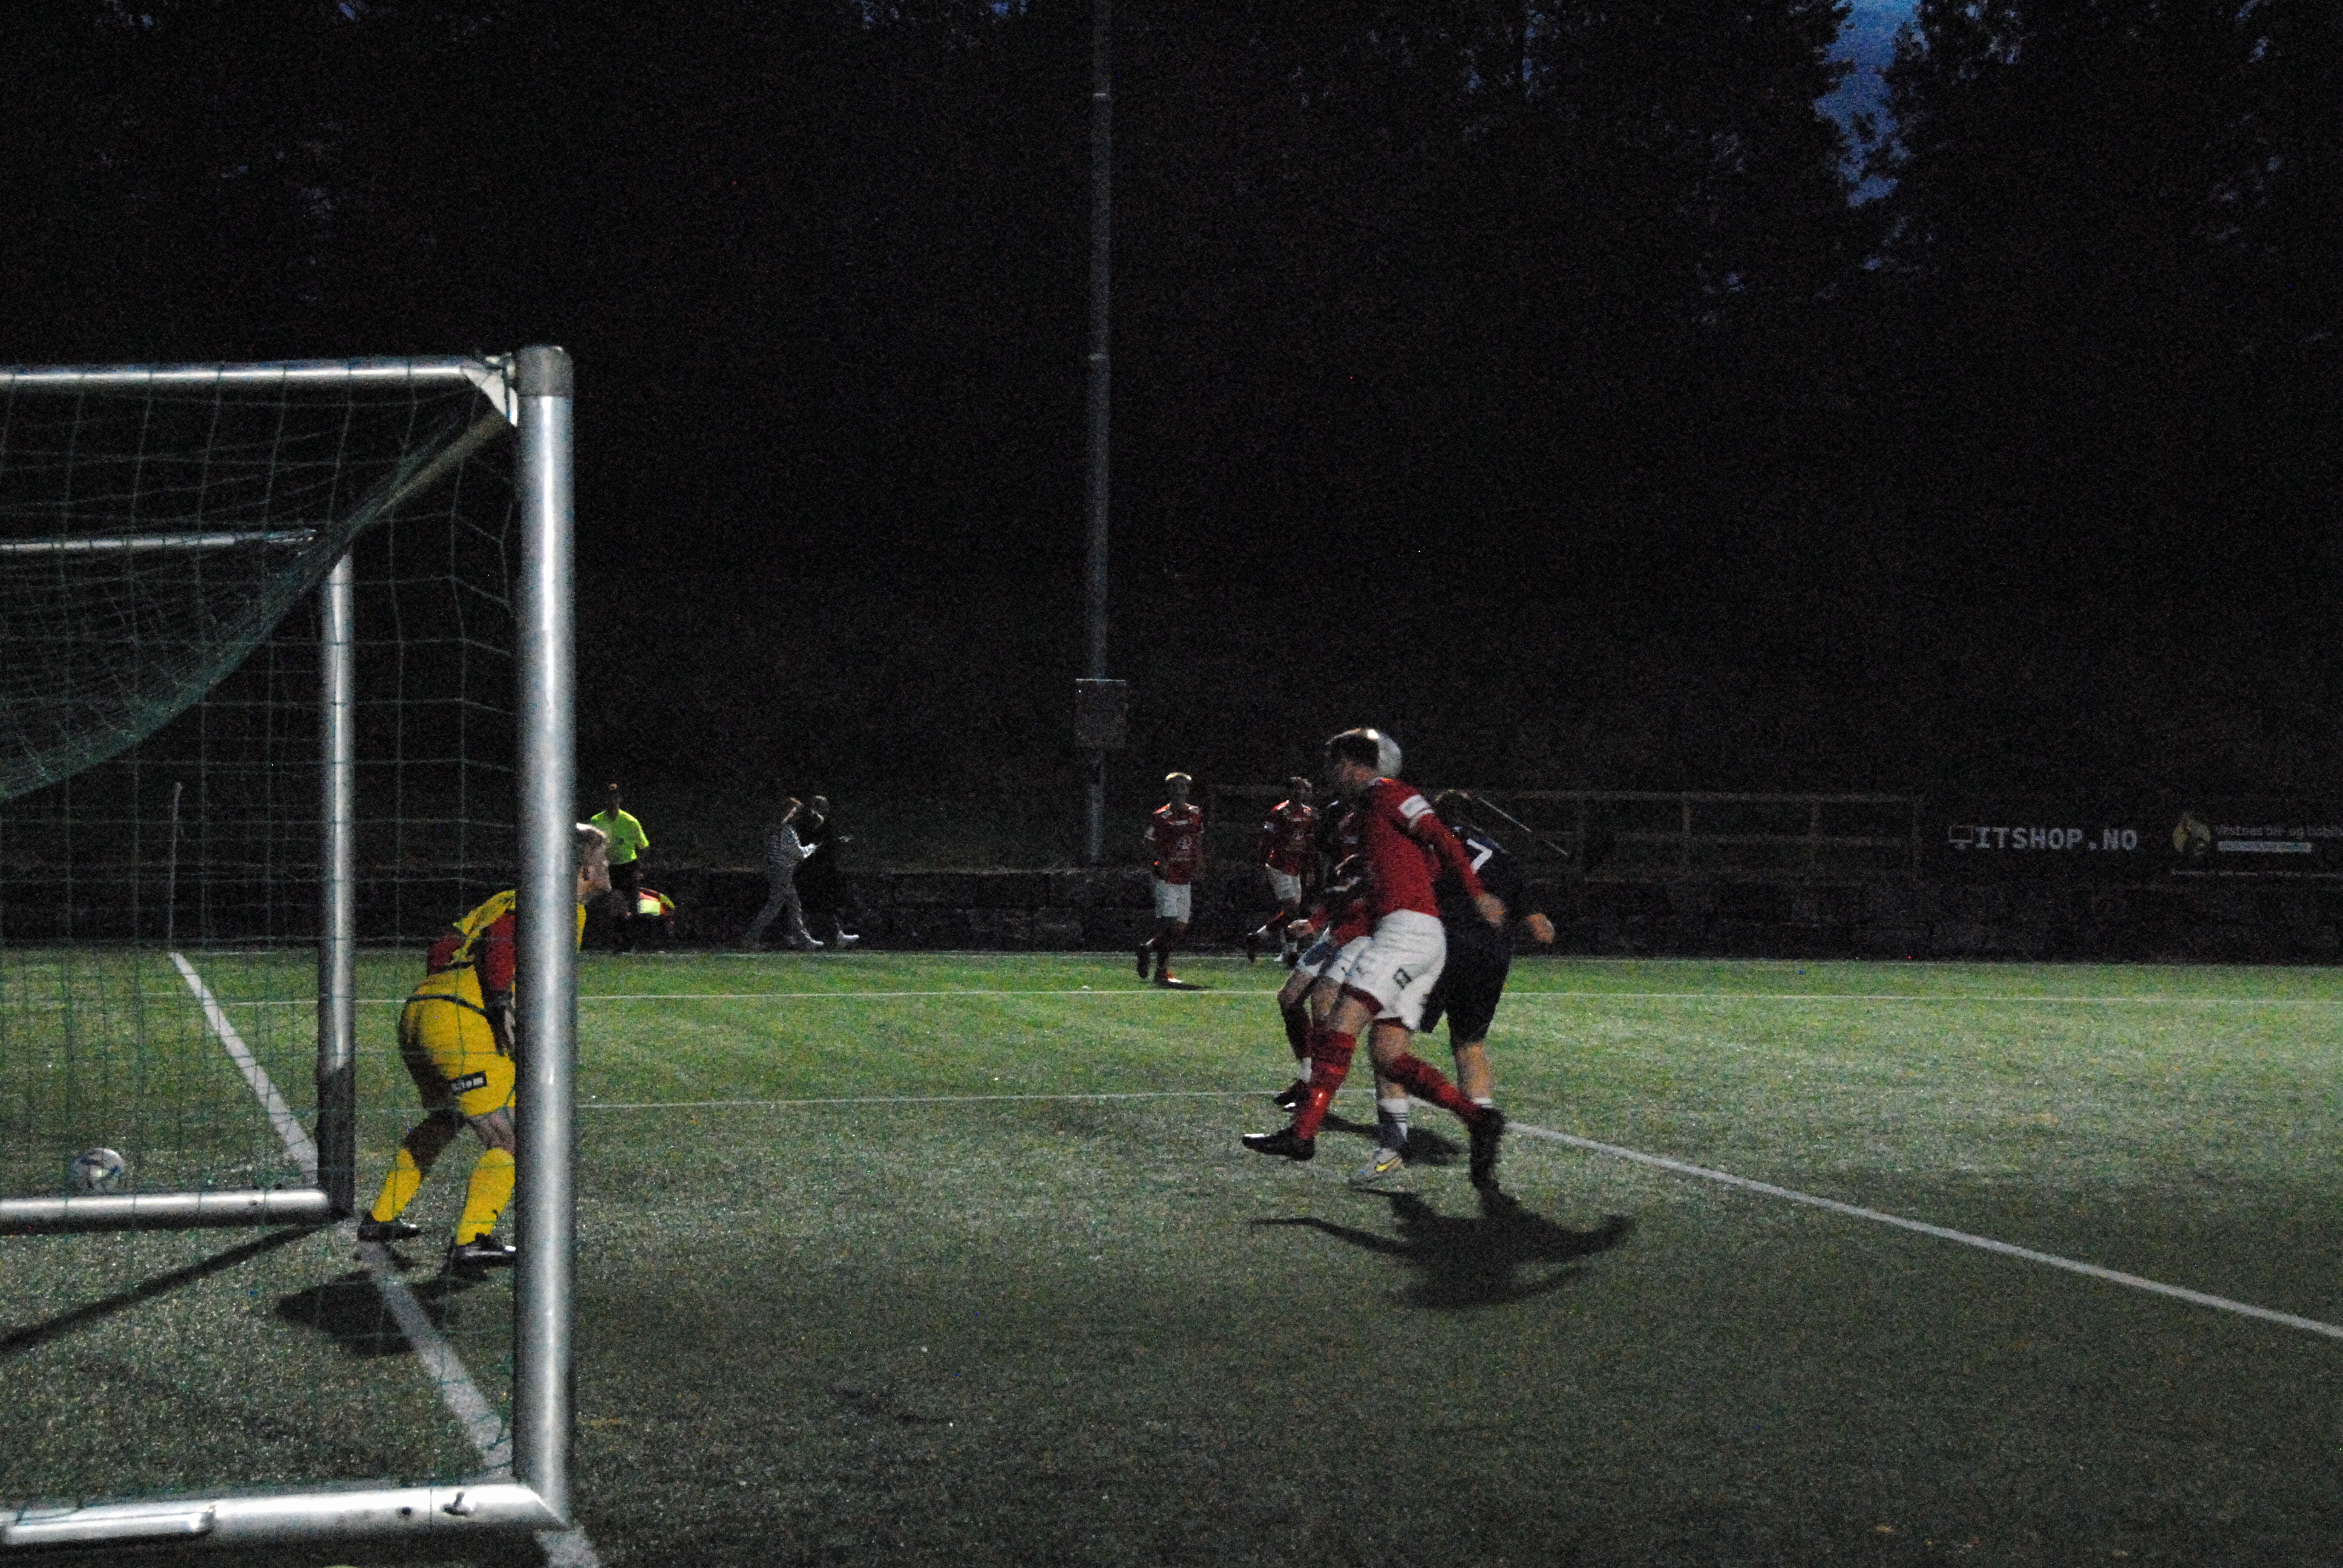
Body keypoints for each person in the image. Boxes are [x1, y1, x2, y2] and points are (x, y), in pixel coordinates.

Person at [1243, 728, 1511, 1188]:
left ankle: (1302, 1134)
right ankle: (1478, 1119)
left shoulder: (1387, 792)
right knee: (1388, 1055)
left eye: (1334, 765)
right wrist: (1362, 881)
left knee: (1339, 1023)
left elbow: (1440, 837)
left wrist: (1477, 893)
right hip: (1415, 934)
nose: (1330, 775)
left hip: (1406, 932)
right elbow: (1423, 863)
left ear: (1349, 764)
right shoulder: (1368, 812)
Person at [357, 823, 612, 1270]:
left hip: (423, 1012)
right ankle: (472, 1239)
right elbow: (504, 938)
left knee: (447, 1118)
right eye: (604, 859)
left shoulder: (505, 897)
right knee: (511, 1138)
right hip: (464, 1020)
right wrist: (497, 1001)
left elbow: (442, 949)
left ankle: (380, 1217)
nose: (609, 867)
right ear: (585, 870)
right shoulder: (556, 902)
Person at [1350, 790, 1557, 1185]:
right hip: (1489, 957)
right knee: (1469, 1046)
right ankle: (1482, 1135)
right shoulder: (1505, 857)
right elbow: (1542, 932)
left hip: (1439, 947)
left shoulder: (1427, 843)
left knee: (1388, 1043)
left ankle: (1393, 1148)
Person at [1136, 771, 1204, 987]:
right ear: (1168, 790)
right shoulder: (1161, 817)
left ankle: (1148, 948)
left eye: (1183, 786)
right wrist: (1159, 863)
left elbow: (1197, 840)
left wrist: (1200, 863)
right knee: (1170, 923)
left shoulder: (1195, 813)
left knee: (1180, 928)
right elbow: (1147, 843)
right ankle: (1162, 971)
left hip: (1185, 875)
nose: (1179, 790)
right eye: (1175, 786)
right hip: (1166, 878)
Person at [1244, 777, 1318, 964]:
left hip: (1296, 867)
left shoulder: (1309, 814)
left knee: (1290, 912)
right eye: (1295, 789)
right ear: (1289, 792)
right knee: (1291, 910)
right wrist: (1261, 865)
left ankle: (1257, 938)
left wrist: (1309, 869)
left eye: (1302, 789)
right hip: (1279, 865)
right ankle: (1291, 953)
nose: (1298, 792)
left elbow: (1309, 844)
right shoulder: (1278, 812)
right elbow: (1267, 840)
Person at [741, 795, 822, 951]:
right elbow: (797, 853)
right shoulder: (786, 831)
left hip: (778, 870)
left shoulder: (774, 830)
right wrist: (813, 847)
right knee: (775, 907)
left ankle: (805, 941)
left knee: (793, 905)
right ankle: (750, 939)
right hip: (783, 871)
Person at [588, 782, 649, 952]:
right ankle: (619, 942)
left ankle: (634, 941)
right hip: (610, 868)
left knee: (632, 905)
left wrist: (639, 869)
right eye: (609, 798)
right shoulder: (597, 820)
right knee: (614, 906)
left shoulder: (630, 822)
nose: (612, 801)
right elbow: (593, 845)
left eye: (615, 798)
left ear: (620, 800)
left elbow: (644, 846)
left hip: (628, 867)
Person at [796, 794, 859, 949]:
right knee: (813, 904)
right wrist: (834, 843)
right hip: (817, 869)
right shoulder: (816, 822)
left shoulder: (813, 822)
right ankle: (800, 936)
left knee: (822, 904)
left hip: (818, 868)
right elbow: (818, 844)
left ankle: (836, 935)